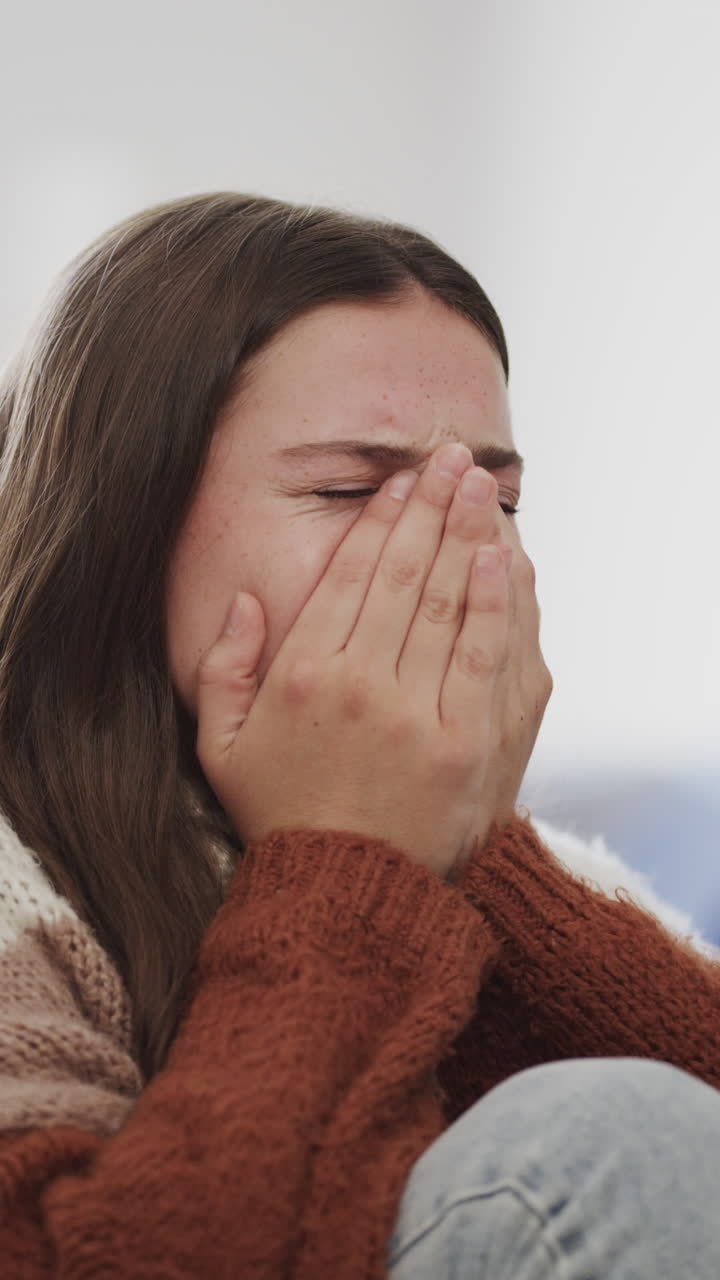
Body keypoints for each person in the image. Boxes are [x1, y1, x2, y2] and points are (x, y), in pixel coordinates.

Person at [0, 193, 718, 1279]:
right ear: (127, 524)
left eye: (499, 503)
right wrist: (353, 864)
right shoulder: (20, 889)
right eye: (350, 488)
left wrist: (480, 854)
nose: (454, 549)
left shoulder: (554, 870)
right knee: (605, 1139)